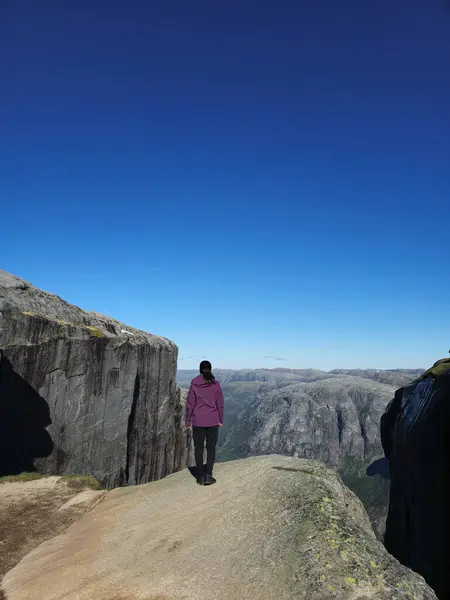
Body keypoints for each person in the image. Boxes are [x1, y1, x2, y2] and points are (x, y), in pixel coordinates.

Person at [185, 360, 224, 486]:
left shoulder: (194, 384)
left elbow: (190, 404)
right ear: (210, 369)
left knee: (199, 448)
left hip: (198, 421)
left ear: (200, 369)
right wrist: (220, 419)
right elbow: (220, 404)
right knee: (211, 448)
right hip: (213, 420)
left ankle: (200, 477)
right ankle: (208, 476)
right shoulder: (216, 384)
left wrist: (187, 419)